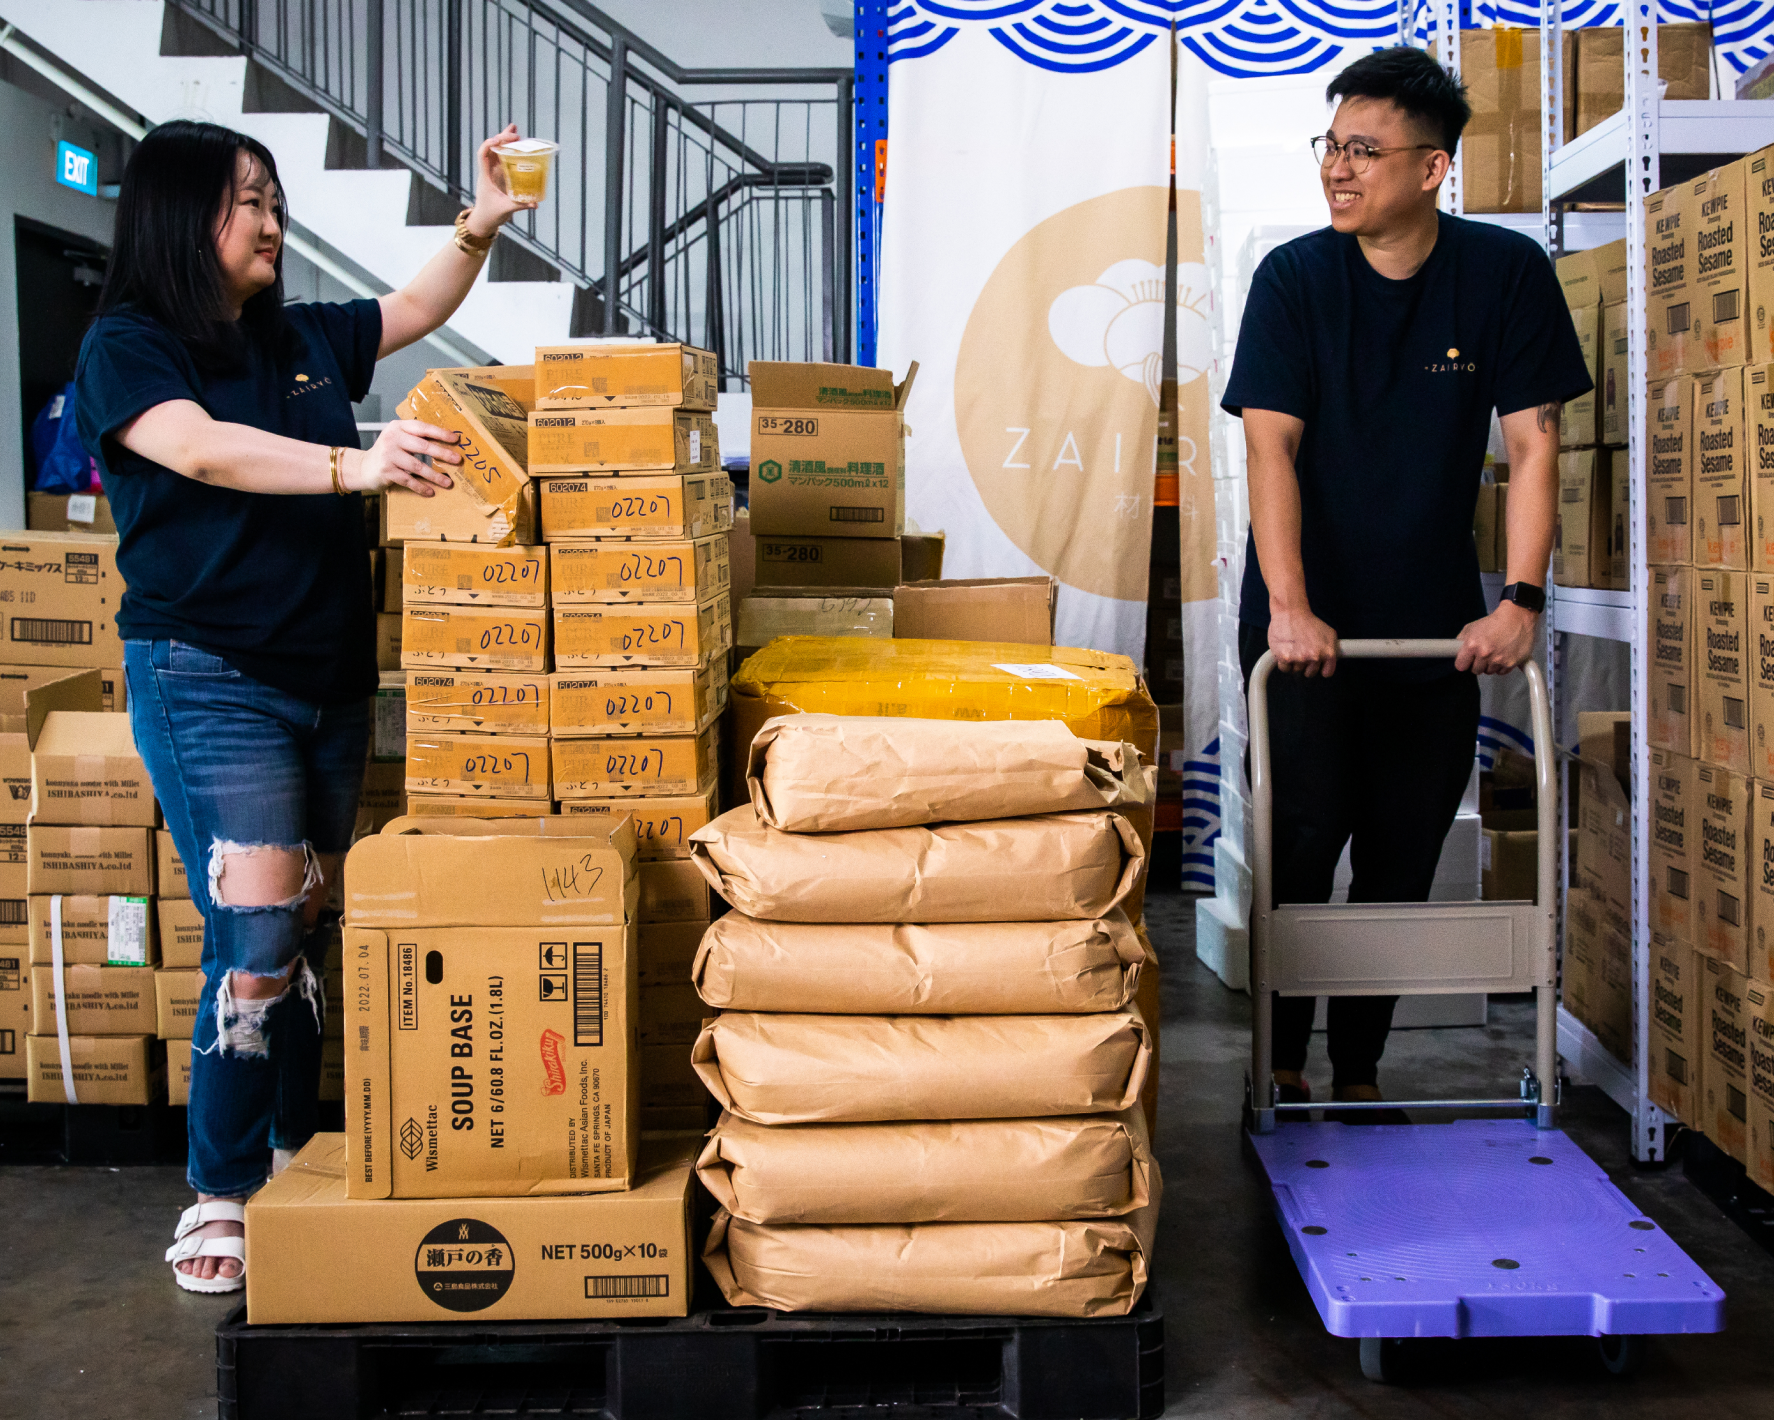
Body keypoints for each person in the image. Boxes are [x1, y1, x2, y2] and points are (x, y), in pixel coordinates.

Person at [75, 117, 538, 1291]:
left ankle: (294, 1146)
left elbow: (414, 309)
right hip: (208, 679)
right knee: (260, 931)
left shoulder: (300, 340)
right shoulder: (129, 347)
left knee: (312, 924)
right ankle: (219, 1190)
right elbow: (201, 451)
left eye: (277, 199)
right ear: (185, 217)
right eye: (249, 201)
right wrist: (355, 463)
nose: (274, 221)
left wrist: (477, 226)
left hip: (327, 687)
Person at [1221, 47, 1591, 1119]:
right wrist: (1289, 607)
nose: (1337, 169)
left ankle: (1360, 1068)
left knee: (1400, 848)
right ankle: (1278, 1064)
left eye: (1363, 150)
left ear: (1431, 170)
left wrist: (1517, 600)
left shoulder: (1502, 272)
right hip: (1307, 625)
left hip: (1433, 629)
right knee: (1302, 839)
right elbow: (1270, 451)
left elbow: (1533, 444)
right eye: (1330, 146)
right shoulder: (1293, 279)